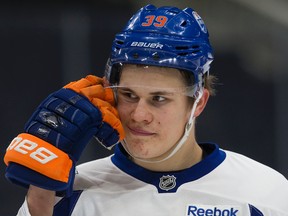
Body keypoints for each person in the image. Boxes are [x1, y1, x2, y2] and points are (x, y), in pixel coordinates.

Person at [3, 4, 288, 216]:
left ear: (198, 102)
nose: (139, 115)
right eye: (128, 95)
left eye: (159, 99)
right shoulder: (67, 194)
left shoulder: (264, 193)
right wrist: (40, 195)